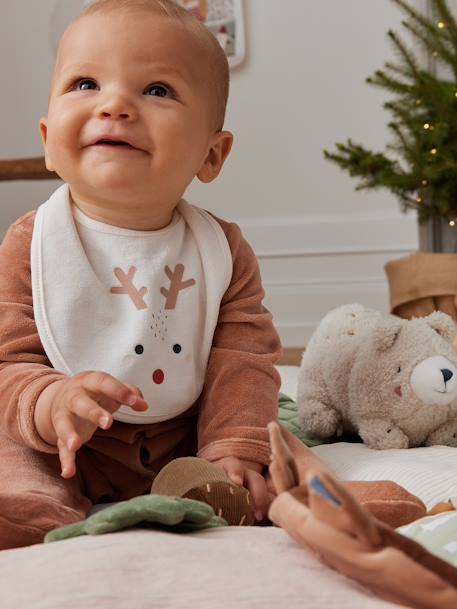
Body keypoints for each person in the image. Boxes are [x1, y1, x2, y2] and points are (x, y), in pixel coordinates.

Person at [0, 0, 283, 548]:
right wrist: (50, 403)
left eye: (156, 90)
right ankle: (29, 507)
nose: (114, 105)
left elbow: (243, 362)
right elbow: (8, 360)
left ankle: (210, 487)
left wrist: (234, 448)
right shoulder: (32, 243)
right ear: (47, 142)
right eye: (85, 83)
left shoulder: (219, 250)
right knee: (13, 448)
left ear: (212, 155)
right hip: (61, 445)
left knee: (244, 446)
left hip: (178, 438)